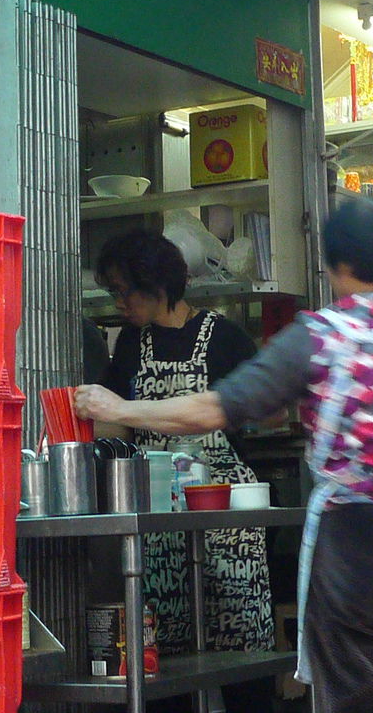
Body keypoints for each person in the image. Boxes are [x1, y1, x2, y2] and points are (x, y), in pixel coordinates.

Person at [77, 197, 373, 713]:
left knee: (361, 697)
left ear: (335, 264)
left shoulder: (320, 334)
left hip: (365, 541)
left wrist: (120, 407)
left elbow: (215, 409)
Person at [93, 228, 274, 713]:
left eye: (121, 288)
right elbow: (118, 423)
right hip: (158, 519)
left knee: (240, 645)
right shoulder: (131, 344)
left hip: (224, 518)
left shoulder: (224, 337)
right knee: (163, 653)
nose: (118, 301)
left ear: (154, 283)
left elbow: (263, 410)